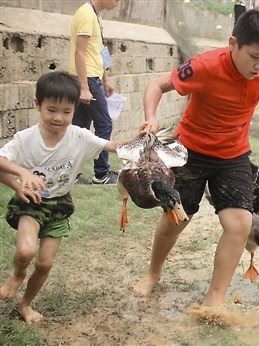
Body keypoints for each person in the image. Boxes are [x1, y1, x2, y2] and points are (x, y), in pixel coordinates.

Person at [132, 10, 259, 308]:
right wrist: (150, 118)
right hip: (191, 151)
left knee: (240, 223)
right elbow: (156, 86)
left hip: (233, 155)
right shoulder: (204, 66)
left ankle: (214, 298)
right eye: (254, 56)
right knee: (177, 217)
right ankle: (153, 273)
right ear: (233, 43)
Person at [0, 71, 148, 324]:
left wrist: (137, 140)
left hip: (60, 205)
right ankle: (17, 274)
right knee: (25, 251)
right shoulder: (25, 139)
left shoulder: (79, 136)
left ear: (74, 109)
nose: (58, 118)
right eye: (51, 110)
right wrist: (19, 180)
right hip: (31, 203)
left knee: (45, 263)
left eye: (66, 112)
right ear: (37, 104)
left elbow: (111, 146)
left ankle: (25, 304)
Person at [68, 0, 120, 185]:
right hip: (87, 78)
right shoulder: (86, 14)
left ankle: (69, 173)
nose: (118, 3)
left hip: (93, 77)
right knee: (104, 124)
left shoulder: (96, 15)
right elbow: (79, 53)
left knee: (78, 127)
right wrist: (83, 86)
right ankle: (101, 174)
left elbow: (100, 50)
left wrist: (106, 79)